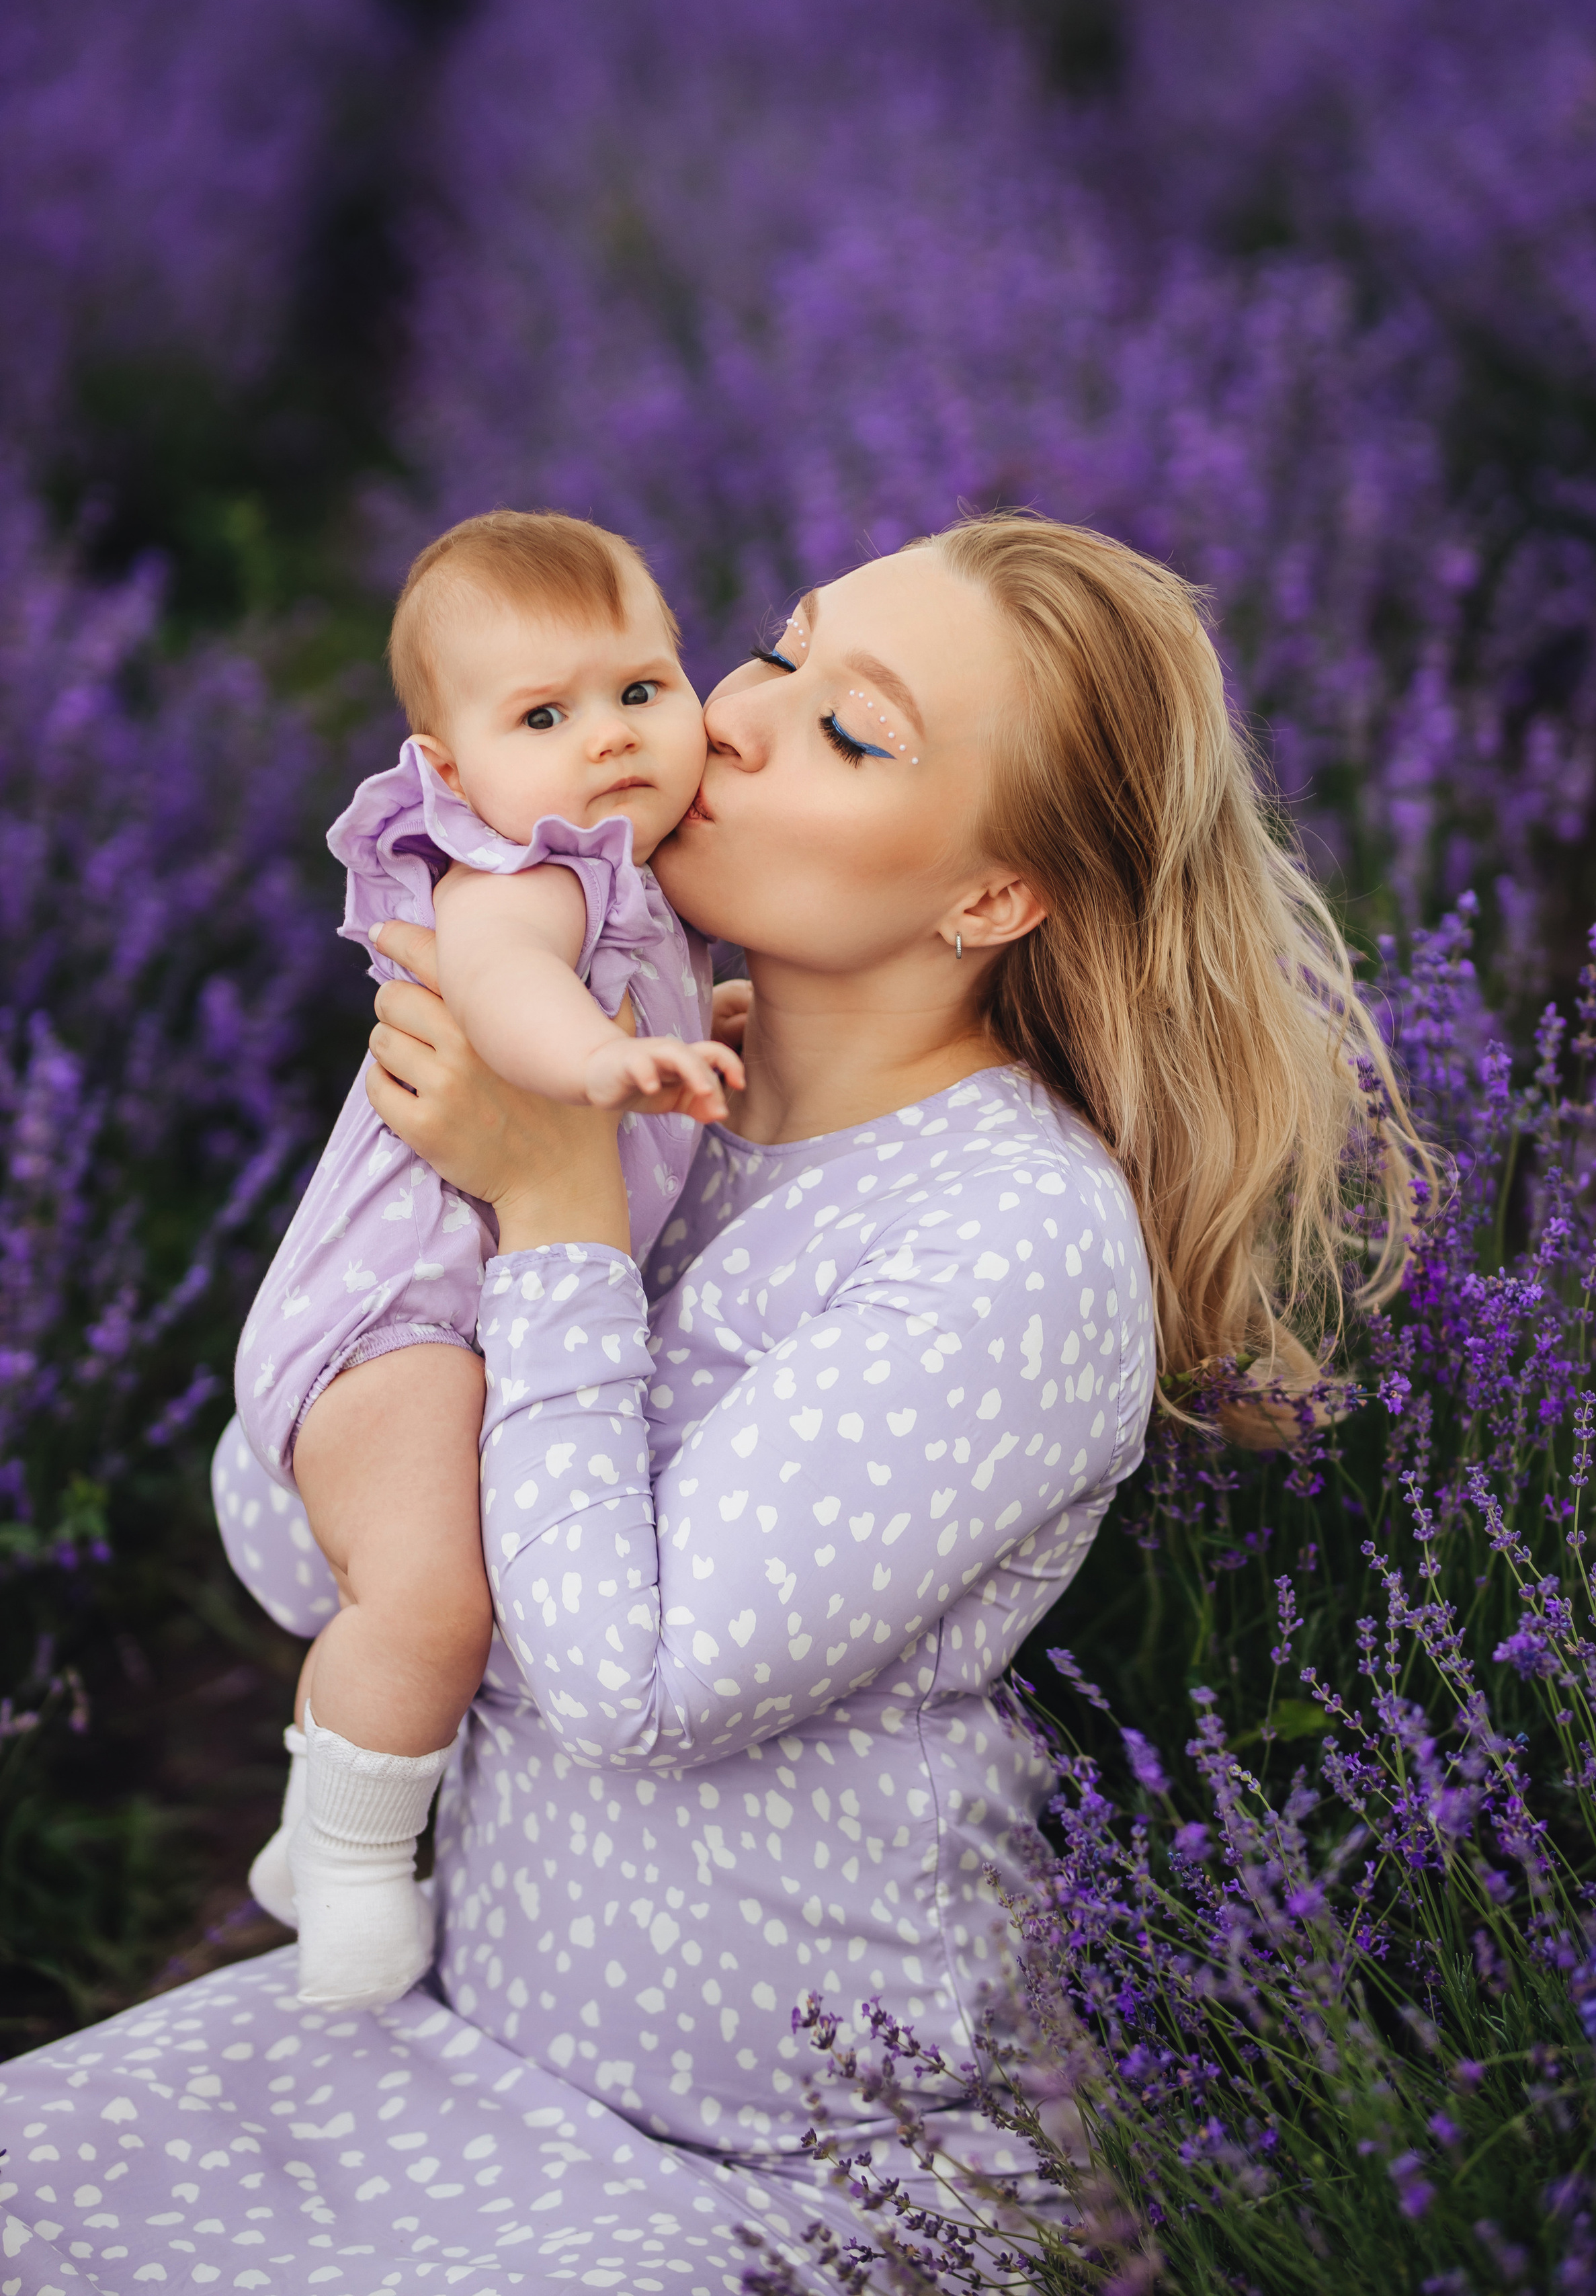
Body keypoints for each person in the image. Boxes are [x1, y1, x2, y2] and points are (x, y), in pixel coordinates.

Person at [0, 515, 1417, 2296]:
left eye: (854, 730)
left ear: (991, 896)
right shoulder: (642, 1079)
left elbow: (637, 1686)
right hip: (459, 2039)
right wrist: (437, 1196)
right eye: (773, 651)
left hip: (795, 2169)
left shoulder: (1011, 1238)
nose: (736, 721)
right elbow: (294, 1545)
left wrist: (551, 1211)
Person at [235, 509, 743, 2014]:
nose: (608, 740)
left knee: (422, 1580)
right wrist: (597, 1060)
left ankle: (308, 1814)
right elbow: (510, 984)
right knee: (434, 1598)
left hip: (458, 1321)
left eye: (641, 689)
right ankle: (343, 1869)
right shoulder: (522, 869)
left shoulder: (636, 889)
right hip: (386, 1319)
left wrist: (678, 1036)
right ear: (448, 772)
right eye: (544, 715)